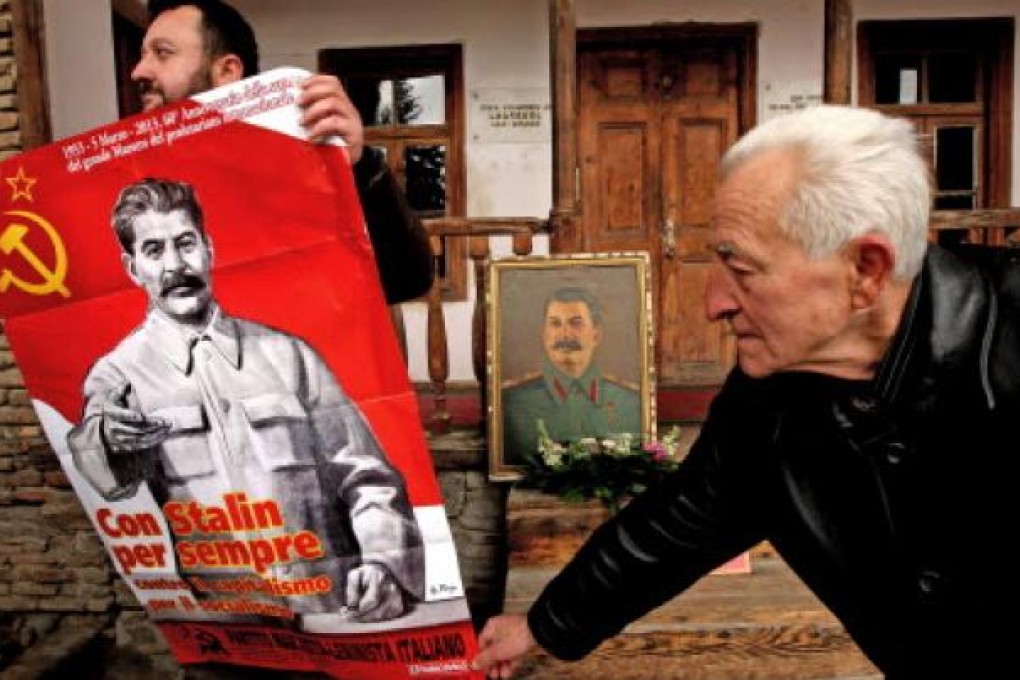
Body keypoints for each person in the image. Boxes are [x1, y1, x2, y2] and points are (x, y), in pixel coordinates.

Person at [472, 104, 1018, 678]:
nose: (714, 304)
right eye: (717, 260)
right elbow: (682, 521)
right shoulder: (771, 397)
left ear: (865, 270)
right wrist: (543, 626)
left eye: (744, 269)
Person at [67, 178, 425, 625]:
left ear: (209, 248)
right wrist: (105, 437)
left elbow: (368, 478)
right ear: (132, 267)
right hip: (228, 627)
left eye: (186, 243)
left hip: (334, 615)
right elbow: (98, 466)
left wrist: (383, 564)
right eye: (154, 251)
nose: (176, 265)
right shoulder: (118, 375)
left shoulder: (290, 355)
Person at [132, 0, 433, 305]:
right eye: (142, 55)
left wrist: (360, 165)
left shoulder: (296, 158)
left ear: (226, 71)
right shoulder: (132, 185)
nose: (138, 71)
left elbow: (406, 279)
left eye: (162, 53)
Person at [501, 286, 641, 464]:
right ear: (544, 334)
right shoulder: (512, 403)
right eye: (555, 323)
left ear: (596, 335)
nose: (565, 334)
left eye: (576, 323)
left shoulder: (631, 403)